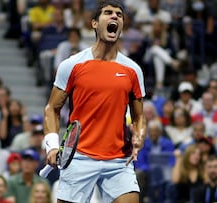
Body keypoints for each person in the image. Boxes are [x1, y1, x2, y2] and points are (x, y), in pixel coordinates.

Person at [43, 1, 146, 202]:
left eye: (119, 14)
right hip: (78, 157)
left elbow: (139, 116)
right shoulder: (71, 65)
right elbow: (52, 109)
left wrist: (139, 137)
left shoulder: (133, 70)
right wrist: (52, 146)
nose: (115, 16)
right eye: (108, 13)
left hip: (118, 160)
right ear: (94, 24)